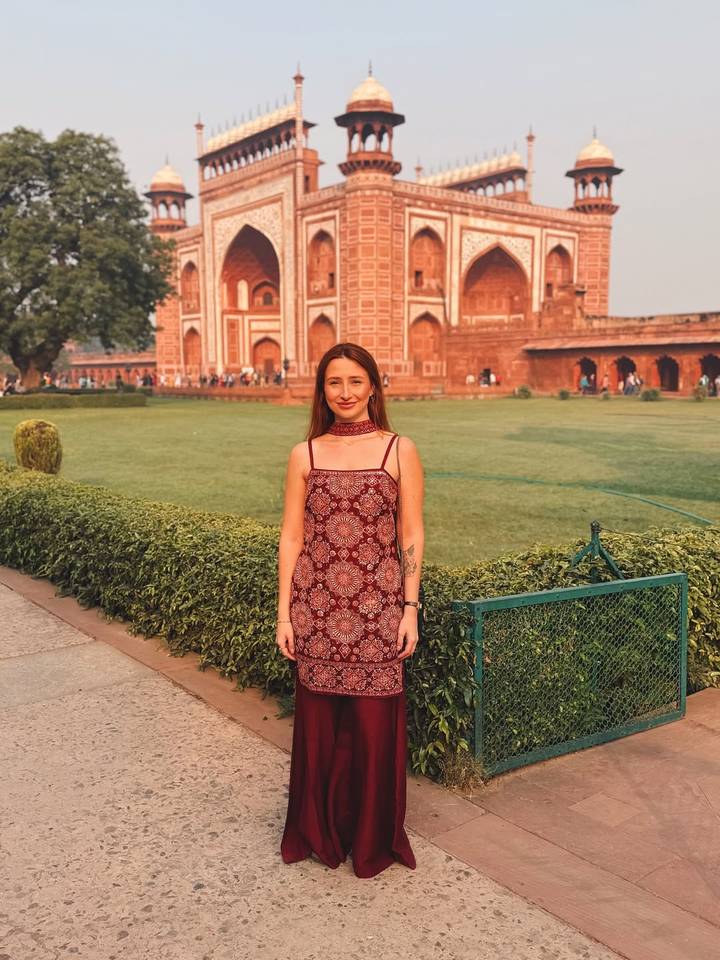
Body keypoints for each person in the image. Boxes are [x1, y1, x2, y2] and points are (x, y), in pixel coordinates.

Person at [277, 341, 423, 879]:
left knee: (371, 731)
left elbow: (411, 532)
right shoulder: (306, 454)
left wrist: (410, 607)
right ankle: (319, 833)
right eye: (334, 383)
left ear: (373, 387)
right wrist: (285, 615)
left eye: (355, 382)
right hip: (316, 613)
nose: (345, 393)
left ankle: (370, 838)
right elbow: (292, 537)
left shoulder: (397, 450)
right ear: (323, 390)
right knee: (319, 734)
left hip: (378, 614)